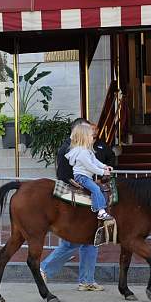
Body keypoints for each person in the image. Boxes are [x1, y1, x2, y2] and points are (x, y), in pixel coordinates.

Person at [42, 118, 105, 292]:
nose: (92, 134)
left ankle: (87, 280)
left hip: (80, 199)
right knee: (73, 242)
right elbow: (63, 176)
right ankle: (45, 268)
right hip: (72, 201)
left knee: (90, 241)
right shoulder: (68, 149)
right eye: (88, 130)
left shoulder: (78, 147)